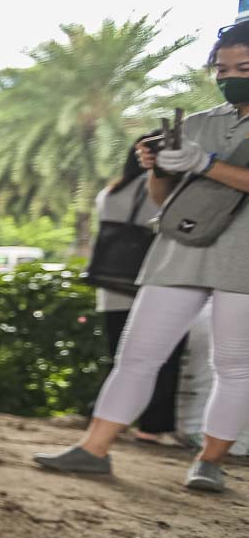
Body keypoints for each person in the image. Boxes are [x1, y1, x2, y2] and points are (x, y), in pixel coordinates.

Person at [35, 21, 249, 492]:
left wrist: (207, 164)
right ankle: (93, 450)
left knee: (233, 365)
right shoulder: (198, 123)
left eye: (244, 67)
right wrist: (159, 168)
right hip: (181, 250)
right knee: (137, 355)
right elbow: (160, 200)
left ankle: (210, 461)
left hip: (243, 257)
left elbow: (213, 172)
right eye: (222, 67)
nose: (230, 76)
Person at [88, 147, 189, 445]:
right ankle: (153, 426)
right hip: (146, 284)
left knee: (121, 360)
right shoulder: (155, 189)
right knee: (164, 359)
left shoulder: (108, 192)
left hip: (110, 288)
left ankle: (109, 424)